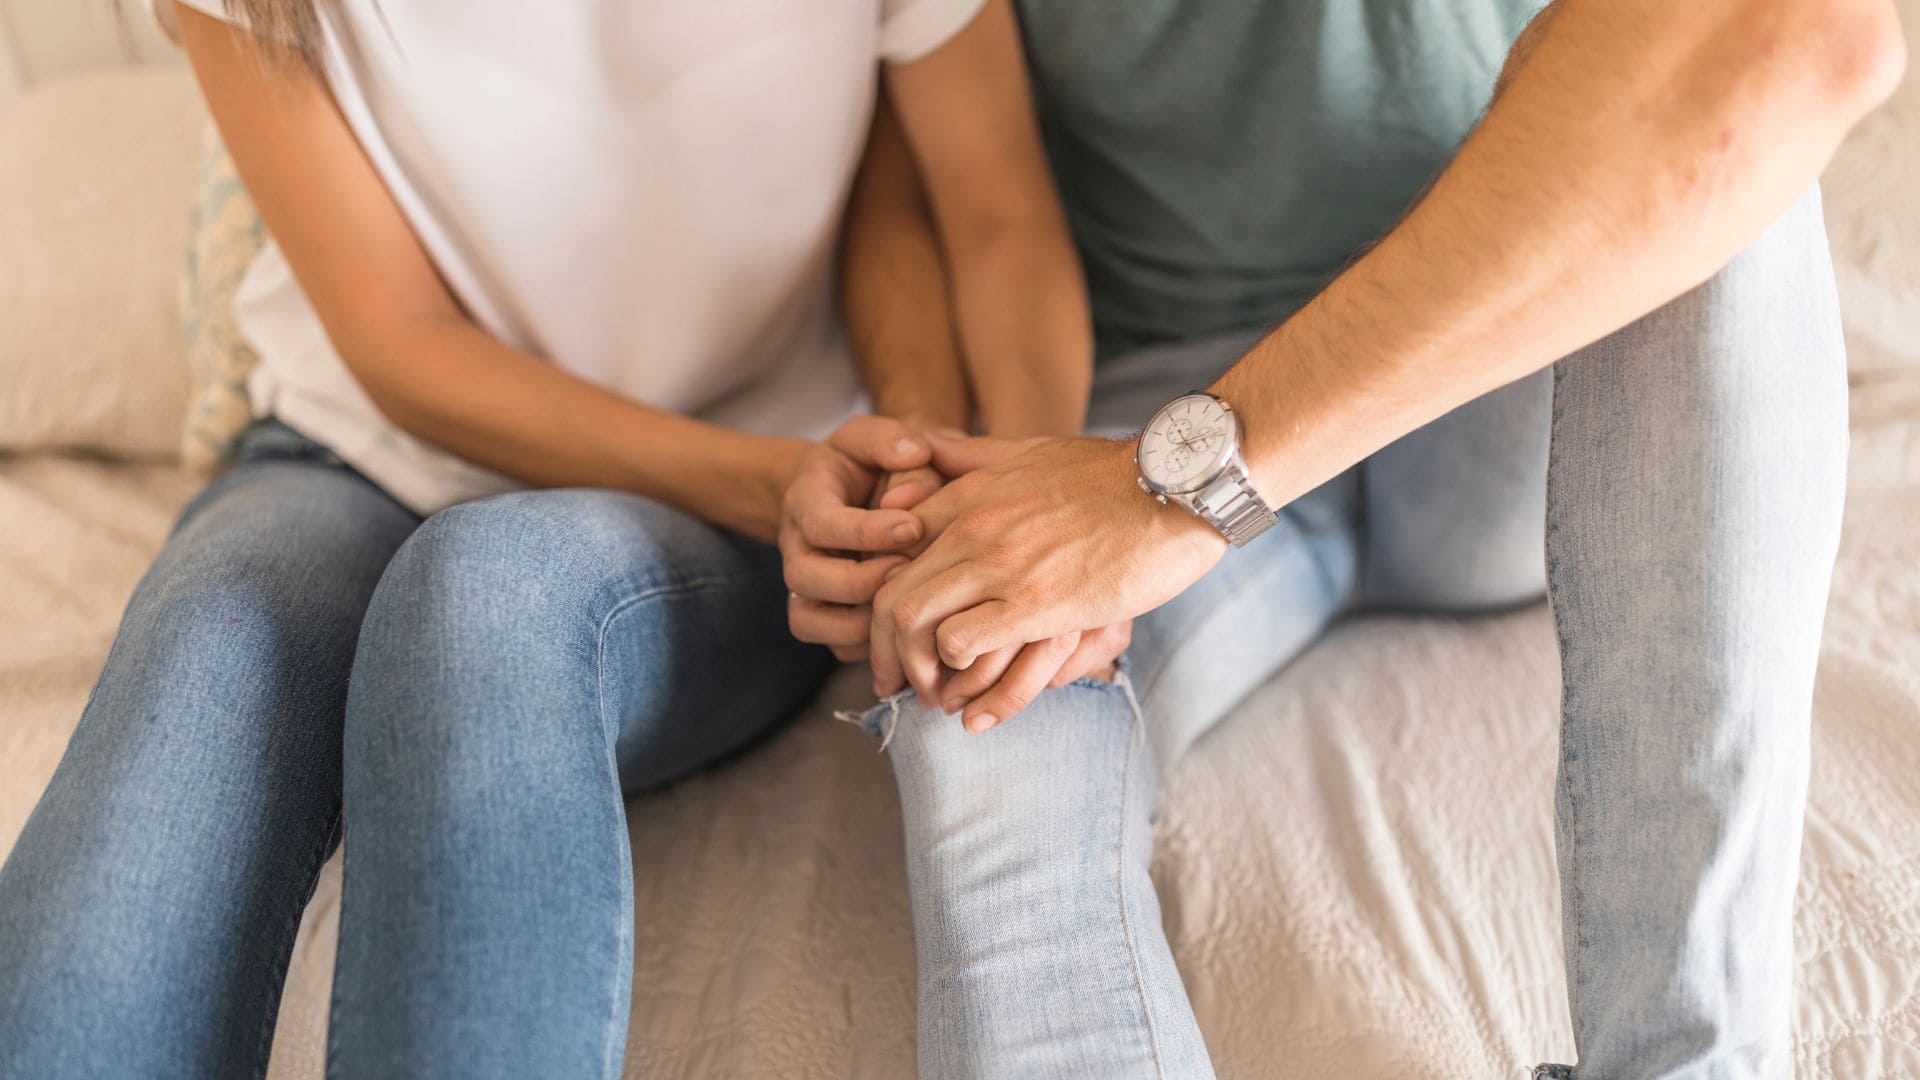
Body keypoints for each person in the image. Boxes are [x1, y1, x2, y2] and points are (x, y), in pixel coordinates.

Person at [784, 0, 1908, 1076]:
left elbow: (1803, 31)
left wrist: (1164, 493)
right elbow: (919, 184)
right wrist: (981, 475)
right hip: (1137, 401)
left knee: (1710, 94)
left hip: (1494, 369)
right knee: (978, 694)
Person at [0, 0, 1093, 1076]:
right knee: (203, 649)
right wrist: (778, 484)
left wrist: (1023, 509)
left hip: (721, 502)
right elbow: (397, 338)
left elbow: (995, 216)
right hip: (374, 457)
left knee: (484, 595)